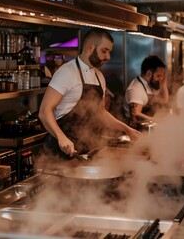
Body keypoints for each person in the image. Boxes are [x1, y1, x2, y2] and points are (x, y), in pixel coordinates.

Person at [39, 28, 141, 159]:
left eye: (109, 52)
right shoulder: (67, 72)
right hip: (59, 152)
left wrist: (128, 130)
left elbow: (101, 113)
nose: (108, 57)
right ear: (90, 47)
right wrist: (61, 138)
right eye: (104, 51)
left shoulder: (99, 77)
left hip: (84, 151)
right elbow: (44, 111)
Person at [123, 55, 169, 128]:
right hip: (135, 129)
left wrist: (163, 84)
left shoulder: (149, 84)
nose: (161, 78)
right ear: (149, 73)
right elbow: (136, 115)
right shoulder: (136, 89)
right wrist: (157, 120)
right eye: (158, 76)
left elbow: (164, 100)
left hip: (147, 128)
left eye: (162, 76)